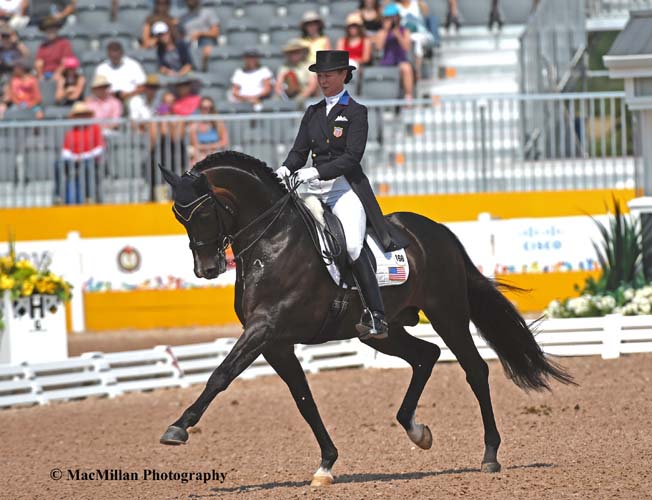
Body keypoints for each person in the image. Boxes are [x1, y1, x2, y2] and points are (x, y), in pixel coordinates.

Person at [276, 50, 409, 339]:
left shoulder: (355, 112)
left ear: (342, 76)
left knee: (351, 246)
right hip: (313, 191)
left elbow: (352, 157)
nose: (322, 80)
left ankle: (376, 315)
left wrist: (316, 172)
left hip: (344, 189)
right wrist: (285, 169)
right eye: (319, 76)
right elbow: (299, 152)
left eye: (327, 75)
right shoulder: (312, 112)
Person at [56, 101, 105, 204]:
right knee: (58, 165)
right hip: (74, 160)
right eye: (78, 115)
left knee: (87, 167)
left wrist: (83, 156)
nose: (81, 117)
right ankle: (59, 195)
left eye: (83, 115)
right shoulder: (71, 132)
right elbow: (65, 151)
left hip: (91, 160)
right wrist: (74, 157)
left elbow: (100, 148)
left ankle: (89, 196)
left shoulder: (95, 128)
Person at [376, 3, 414, 100]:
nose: (391, 20)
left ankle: (408, 97)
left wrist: (398, 35)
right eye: (388, 18)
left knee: (407, 68)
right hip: (386, 62)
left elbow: (406, 48)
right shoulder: (382, 32)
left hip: (400, 61)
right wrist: (386, 31)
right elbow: (379, 47)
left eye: (393, 17)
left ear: (398, 17)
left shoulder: (405, 31)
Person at [396, 0, 436, 80]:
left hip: (420, 32)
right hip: (405, 34)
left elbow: (426, 13)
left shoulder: (416, 3)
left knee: (418, 41)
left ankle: (416, 70)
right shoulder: (396, 6)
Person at [178, 0, 219, 72]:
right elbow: (180, 37)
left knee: (207, 47)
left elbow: (216, 32)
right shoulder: (182, 18)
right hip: (188, 45)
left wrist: (200, 33)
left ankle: (203, 71)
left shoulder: (208, 12)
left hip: (205, 43)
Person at [274, 38, 317, 105]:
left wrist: (301, 97)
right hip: (288, 96)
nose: (294, 55)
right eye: (291, 52)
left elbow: (312, 86)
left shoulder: (309, 65)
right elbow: (278, 85)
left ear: (302, 52)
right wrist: (282, 96)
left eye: (297, 52)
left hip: (307, 96)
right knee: (275, 100)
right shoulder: (284, 67)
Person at [188, 96, 228, 164]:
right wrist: (210, 147)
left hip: (216, 152)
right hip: (200, 153)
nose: (207, 110)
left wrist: (208, 147)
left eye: (210, 108)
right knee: (195, 162)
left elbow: (224, 142)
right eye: (204, 108)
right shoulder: (194, 125)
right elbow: (196, 145)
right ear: (200, 108)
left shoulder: (218, 123)